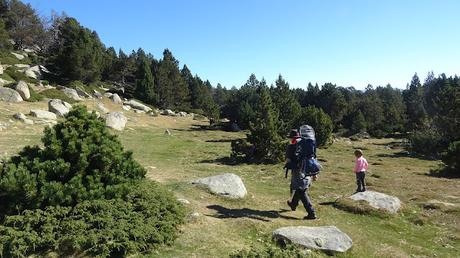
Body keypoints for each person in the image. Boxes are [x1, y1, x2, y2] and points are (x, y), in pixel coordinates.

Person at [286, 125, 317, 220]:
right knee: (301, 187)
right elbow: (313, 157)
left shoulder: (292, 145)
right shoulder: (307, 144)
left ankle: (311, 212)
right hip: (307, 168)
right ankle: (293, 204)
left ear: (291, 138)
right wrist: (315, 173)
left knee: (301, 190)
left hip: (298, 169)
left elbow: (288, 159)